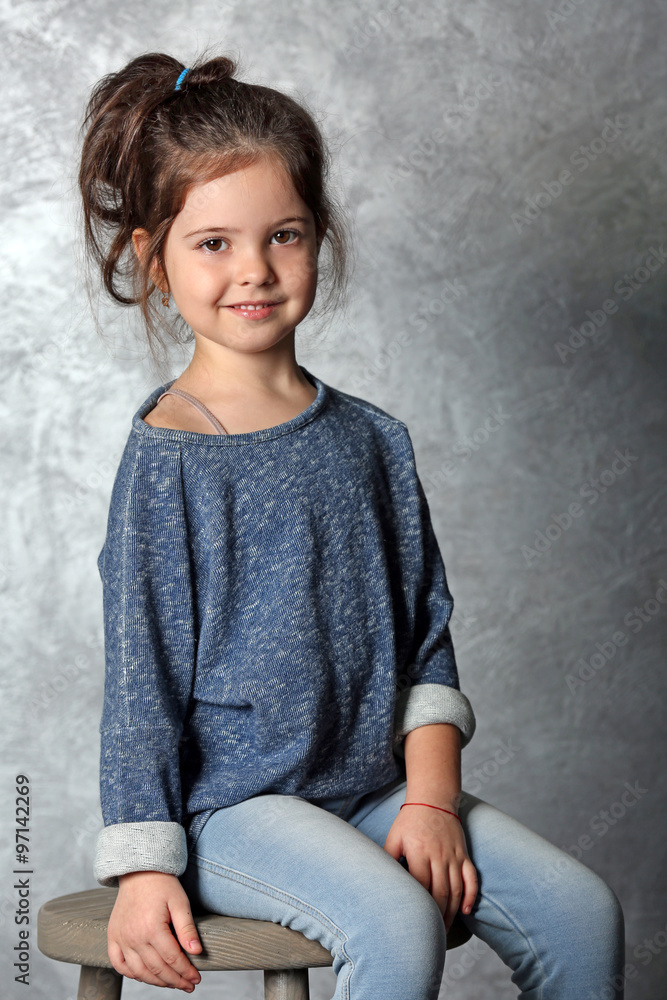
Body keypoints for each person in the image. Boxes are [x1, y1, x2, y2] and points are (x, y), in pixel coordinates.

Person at [79, 50, 625, 999]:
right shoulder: (170, 460)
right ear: (152, 261)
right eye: (213, 243)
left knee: (581, 912)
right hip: (235, 813)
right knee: (395, 922)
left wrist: (431, 803)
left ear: (318, 237)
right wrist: (142, 868)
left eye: (282, 235)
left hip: (375, 789)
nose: (253, 269)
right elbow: (141, 688)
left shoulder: (374, 440)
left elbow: (425, 644)